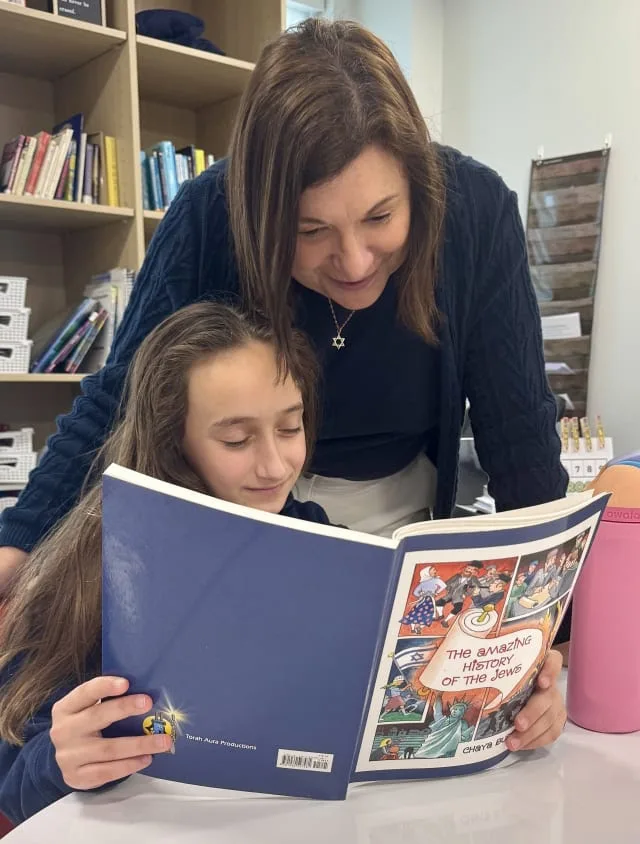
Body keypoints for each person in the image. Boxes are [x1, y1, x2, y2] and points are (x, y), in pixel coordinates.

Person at [0, 14, 566, 782]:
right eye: (311, 231)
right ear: (262, 214)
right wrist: (19, 549)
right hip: (243, 530)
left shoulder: (476, 211)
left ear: (419, 186)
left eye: (380, 218)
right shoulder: (209, 214)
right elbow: (116, 403)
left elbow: (521, 441)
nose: (356, 261)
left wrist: (546, 642)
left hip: (403, 537)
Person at [0, 302, 328, 825]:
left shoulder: (318, 535)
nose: (274, 464)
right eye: (236, 440)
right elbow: (13, 781)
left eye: (290, 428)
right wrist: (60, 760)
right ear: (172, 441)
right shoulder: (93, 565)